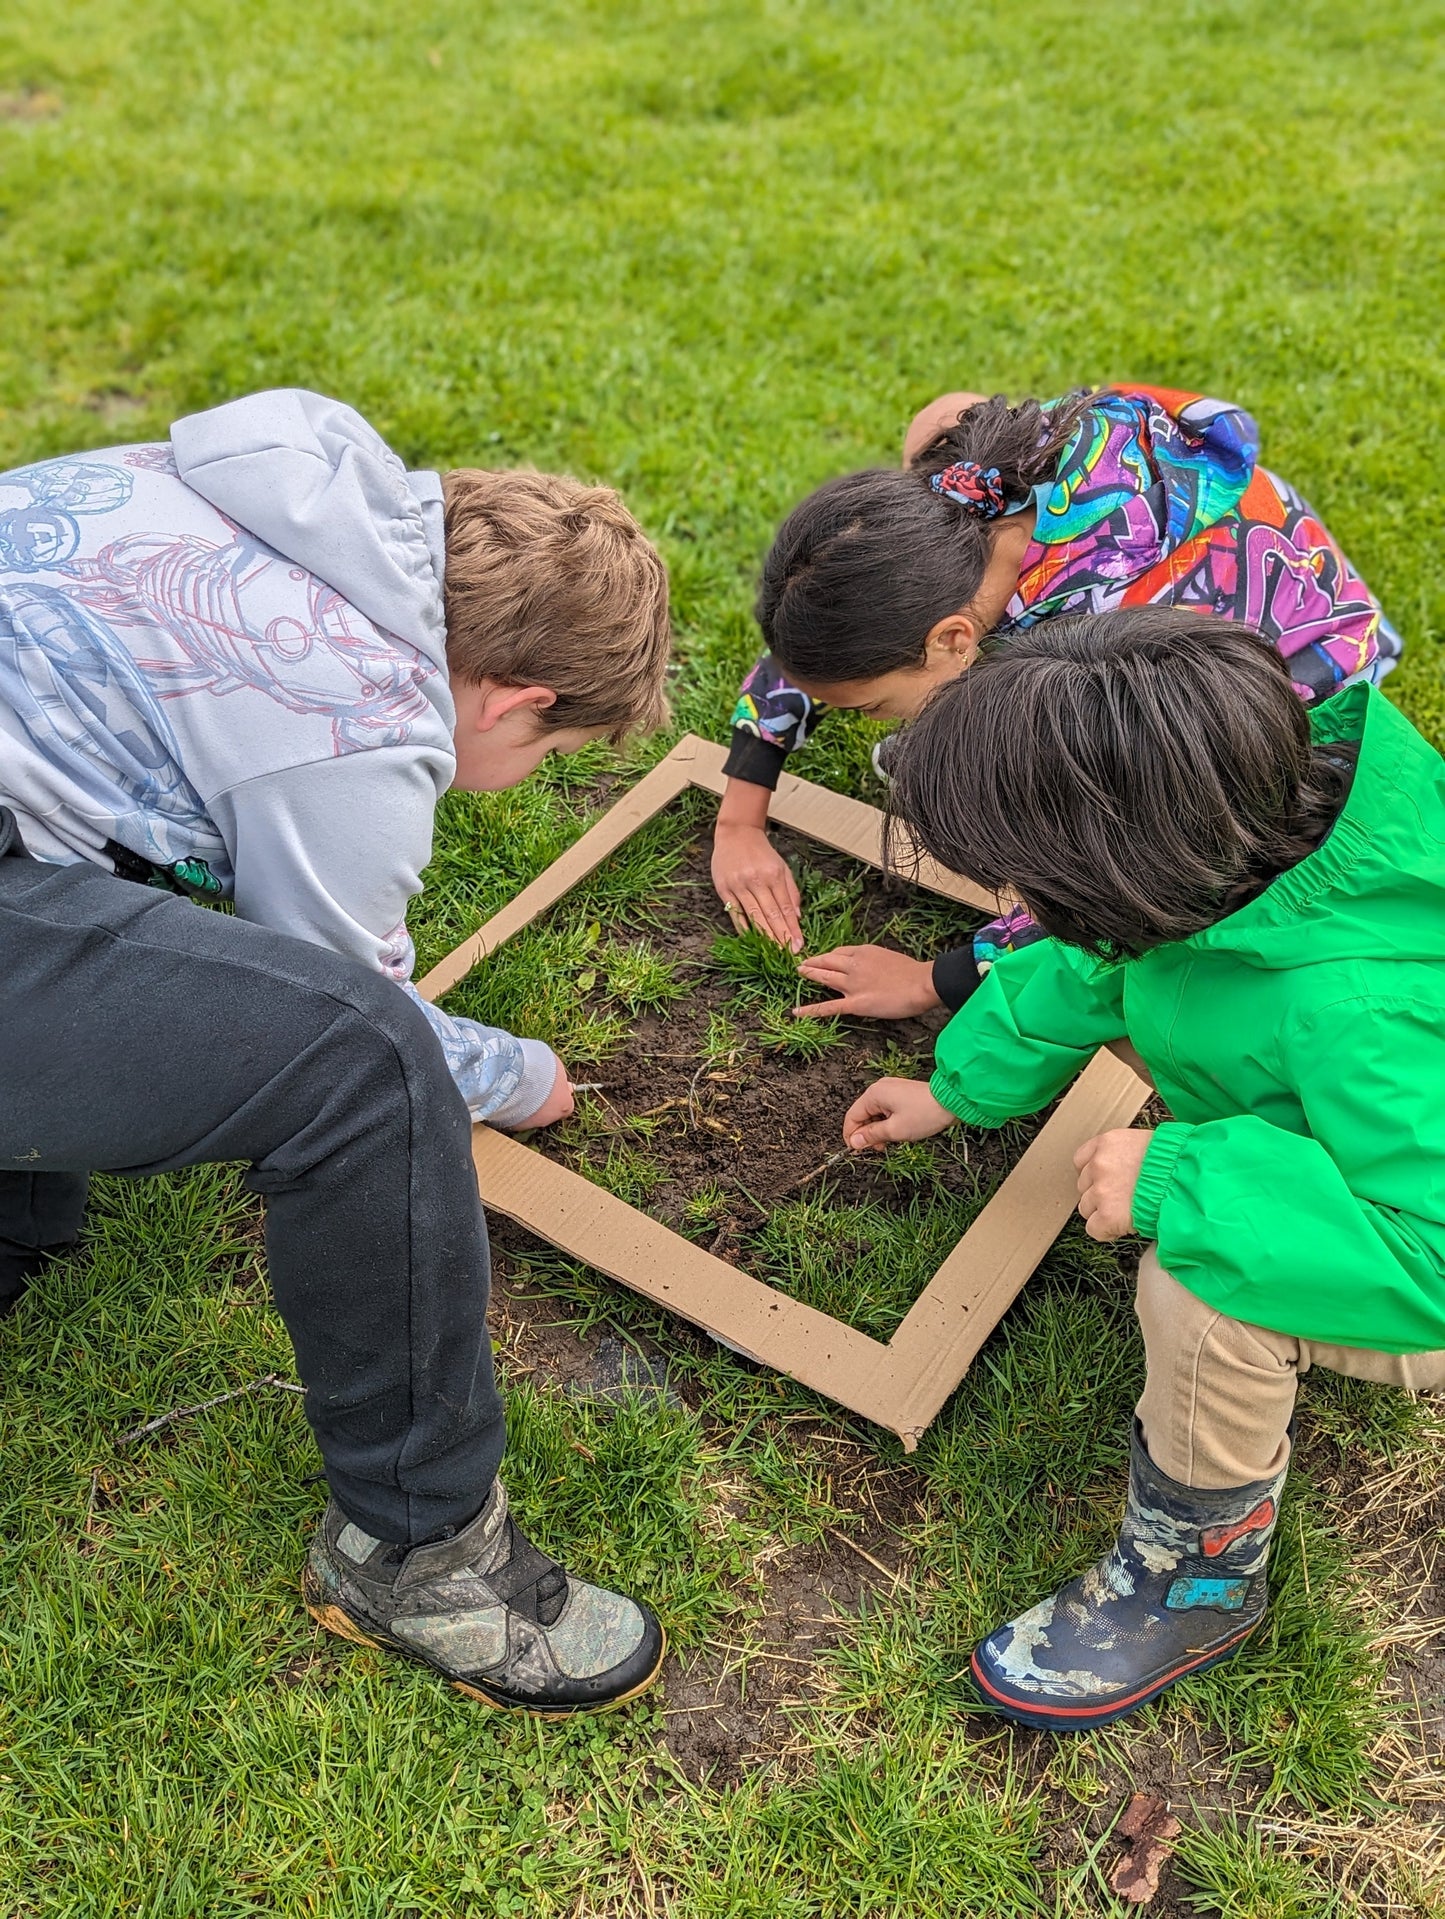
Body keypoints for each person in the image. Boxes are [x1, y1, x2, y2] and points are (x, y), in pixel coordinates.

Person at [0, 390, 672, 1713]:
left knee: (38, 1193)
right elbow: (345, 993)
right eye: (550, 753)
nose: (528, 775)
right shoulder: (356, 714)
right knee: (362, 1070)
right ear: (517, 698)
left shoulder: (266, 487)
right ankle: (421, 1549)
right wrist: (522, 1075)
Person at [842, 607, 1445, 1730]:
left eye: (1031, 880)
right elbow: (1092, 962)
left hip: (1424, 1245)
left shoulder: (1358, 1005)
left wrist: (1177, 1177)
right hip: (1384, 1142)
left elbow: (1431, 1251)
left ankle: (1195, 1572)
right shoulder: (1225, 828)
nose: (1023, 904)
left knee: (1202, 1292)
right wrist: (953, 1088)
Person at [710, 383, 1404, 1025]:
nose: (869, 717)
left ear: (954, 639)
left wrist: (934, 979)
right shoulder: (954, 474)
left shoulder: (1103, 671)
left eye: (870, 705)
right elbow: (830, 628)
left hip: (1293, 672)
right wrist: (740, 818)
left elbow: (1112, 869)